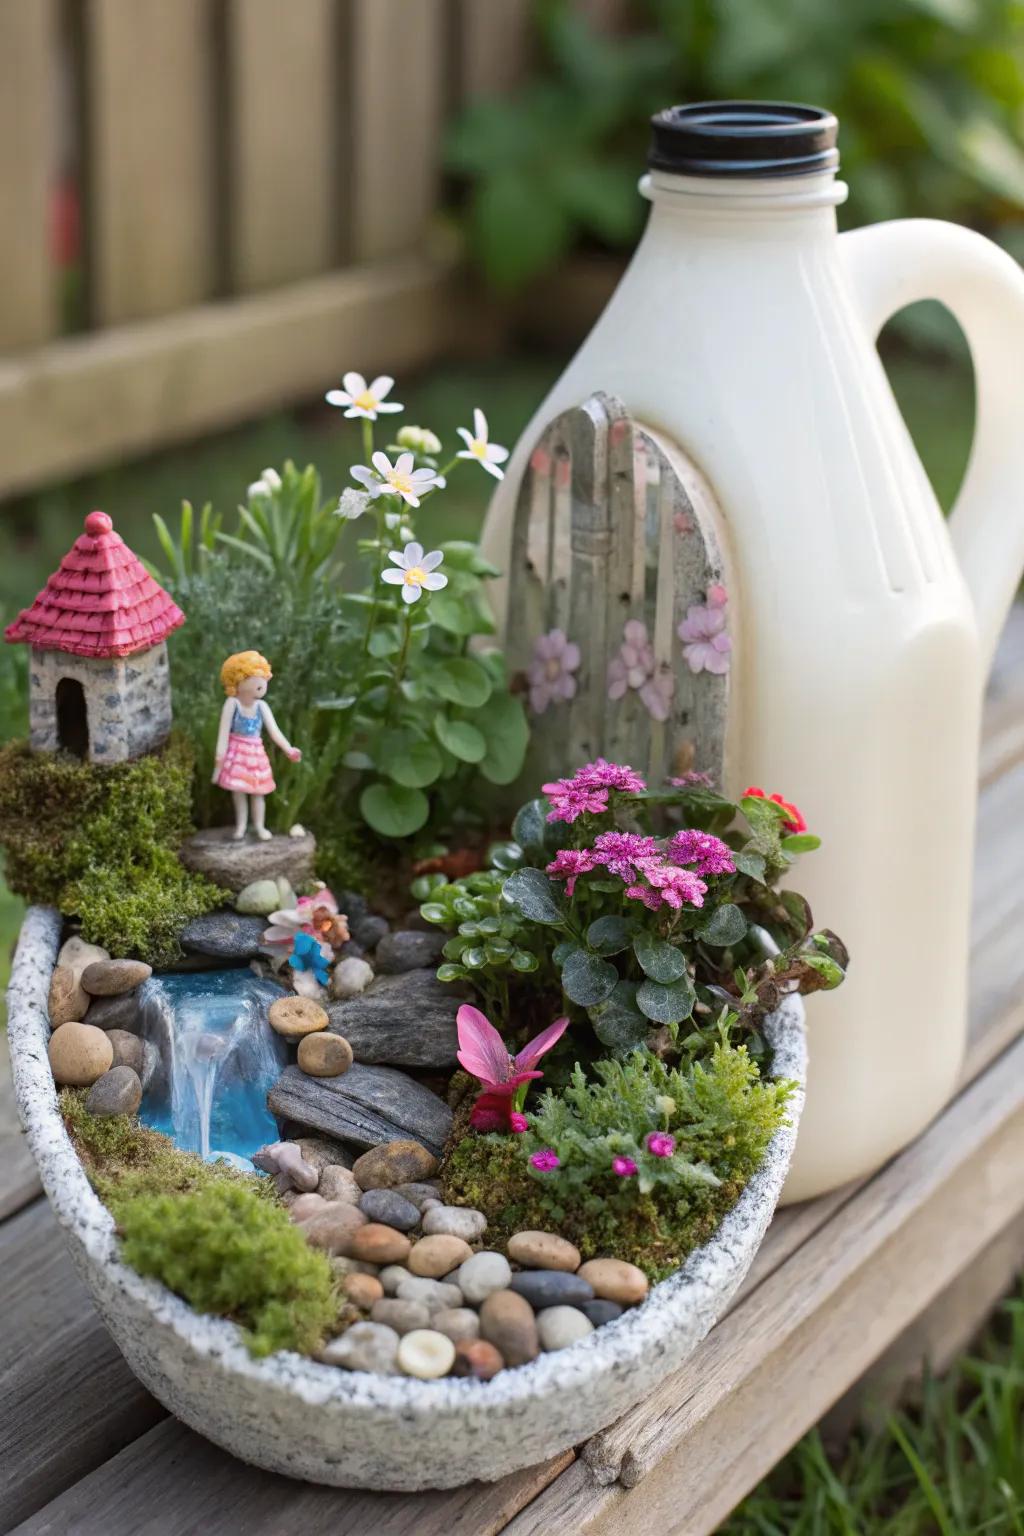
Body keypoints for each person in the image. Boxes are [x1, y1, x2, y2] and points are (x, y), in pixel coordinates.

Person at [213, 651, 301, 840]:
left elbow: (274, 731)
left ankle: (260, 826)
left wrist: (288, 749)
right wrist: (219, 759)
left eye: (263, 678)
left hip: (254, 753)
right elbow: (223, 734)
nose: (261, 683)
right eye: (255, 678)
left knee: (257, 791)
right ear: (239, 681)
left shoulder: (261, 707)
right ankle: (241, 826)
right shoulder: (232, 704)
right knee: (238, 791)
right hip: (237, 753)